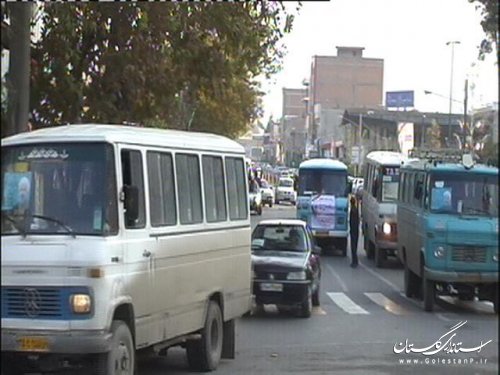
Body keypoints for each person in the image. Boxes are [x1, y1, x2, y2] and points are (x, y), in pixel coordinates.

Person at [349, 195, 360, 268]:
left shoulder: (353, 210)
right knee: (354, 246)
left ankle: (354, 261)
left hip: (353, 230)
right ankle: (355, 260)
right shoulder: (356, 209)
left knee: (353, 246)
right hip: (356, 230)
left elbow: (352, 222)